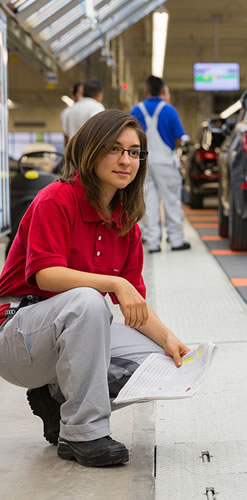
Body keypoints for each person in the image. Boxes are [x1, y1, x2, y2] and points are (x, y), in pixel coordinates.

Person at [0, 110, 189, 467]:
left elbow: (134, 303)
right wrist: (114, 282)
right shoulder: (56, 199)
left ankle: (57, 397)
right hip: (15, 333)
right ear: (90, 150)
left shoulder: (126, 225)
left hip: (63, 336)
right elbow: (45, 275)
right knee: (90, 303)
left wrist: (170, 341)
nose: (125, 160)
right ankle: (83, 434)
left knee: (156, 364)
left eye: (134, 152)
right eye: (115, 149)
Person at [131, 75, 190, 253]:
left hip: (144, 162)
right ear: (162, 90)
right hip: (166, 161)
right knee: (171, 201)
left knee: (148, 202)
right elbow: (179, 137)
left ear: (146, 90)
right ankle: (176, 240)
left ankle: (153, 242)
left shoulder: (136, 110)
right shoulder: (169, 110)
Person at [60, 82, 83, 146]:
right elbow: (66, 136)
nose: (83, 97)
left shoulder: (90, 109)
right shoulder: (67, 112)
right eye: (81, 94)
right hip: (73, 150)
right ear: (74, 96)